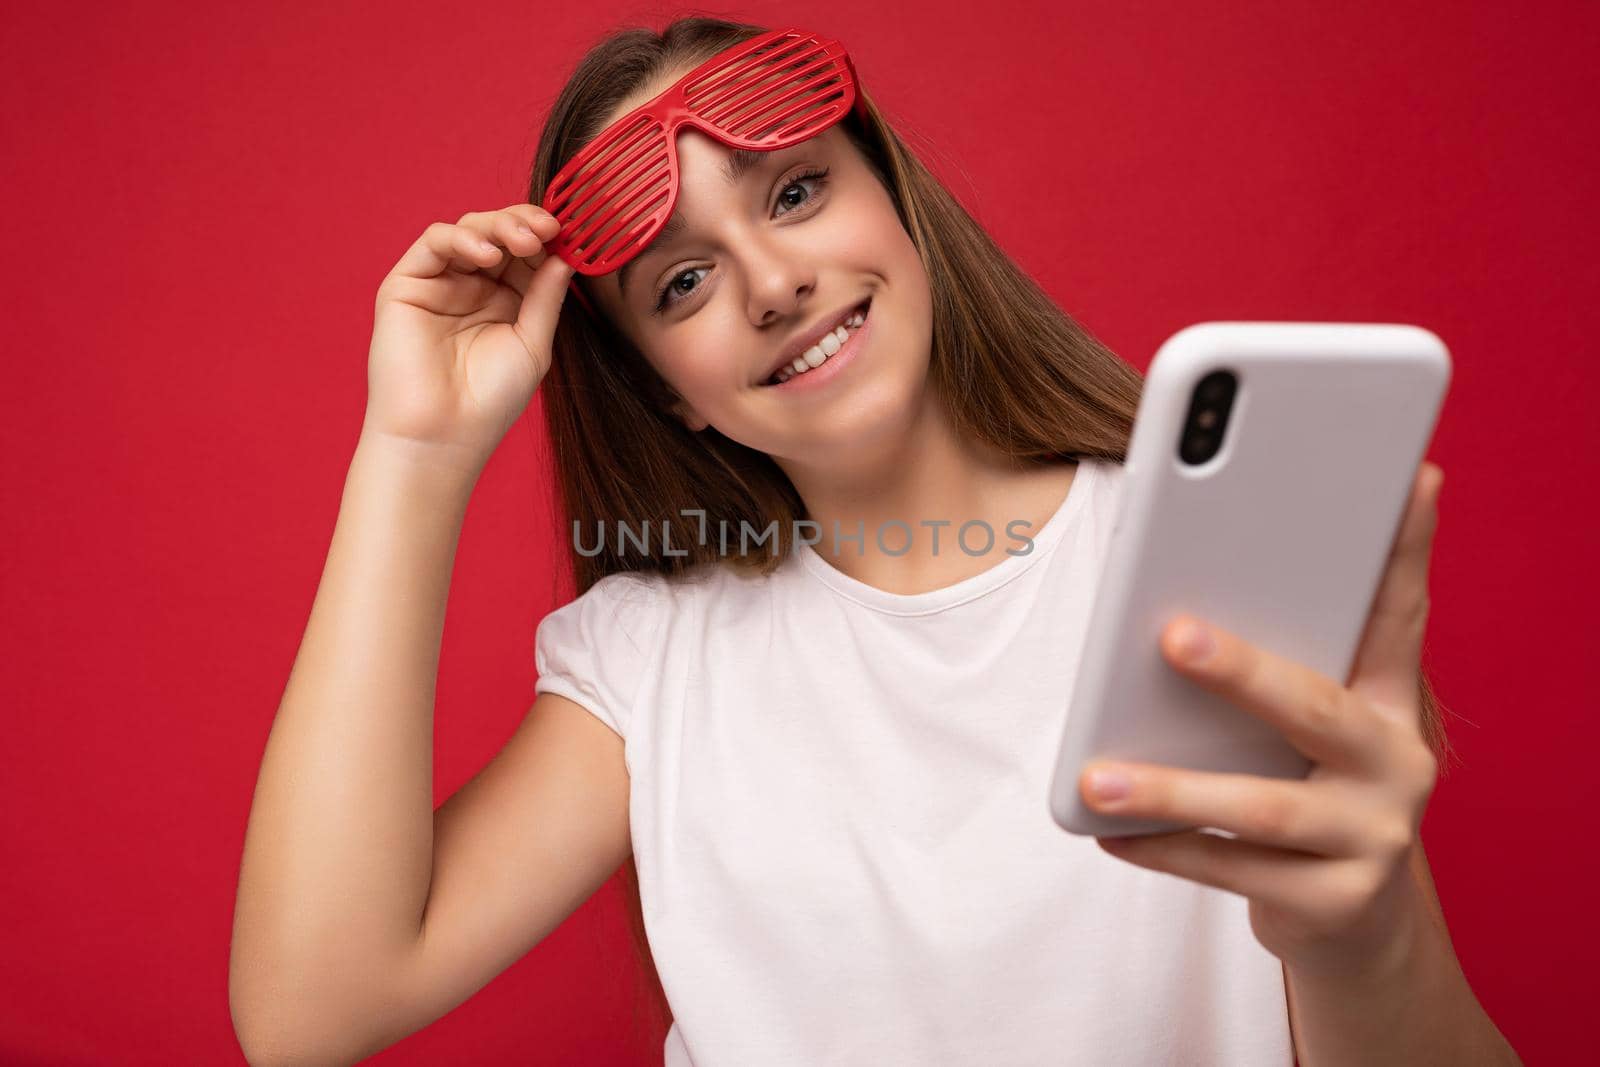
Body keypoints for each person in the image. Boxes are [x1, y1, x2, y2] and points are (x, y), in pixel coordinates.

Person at [229, 16, 1521, 1067]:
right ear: (669, 387)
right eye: (682, 282)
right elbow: (310, 1011)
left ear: (895, 203)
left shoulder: (1208, 569)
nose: (773, 280)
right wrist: (413, 452)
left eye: (796, 191)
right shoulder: (657, 666)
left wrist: (1371, 943)